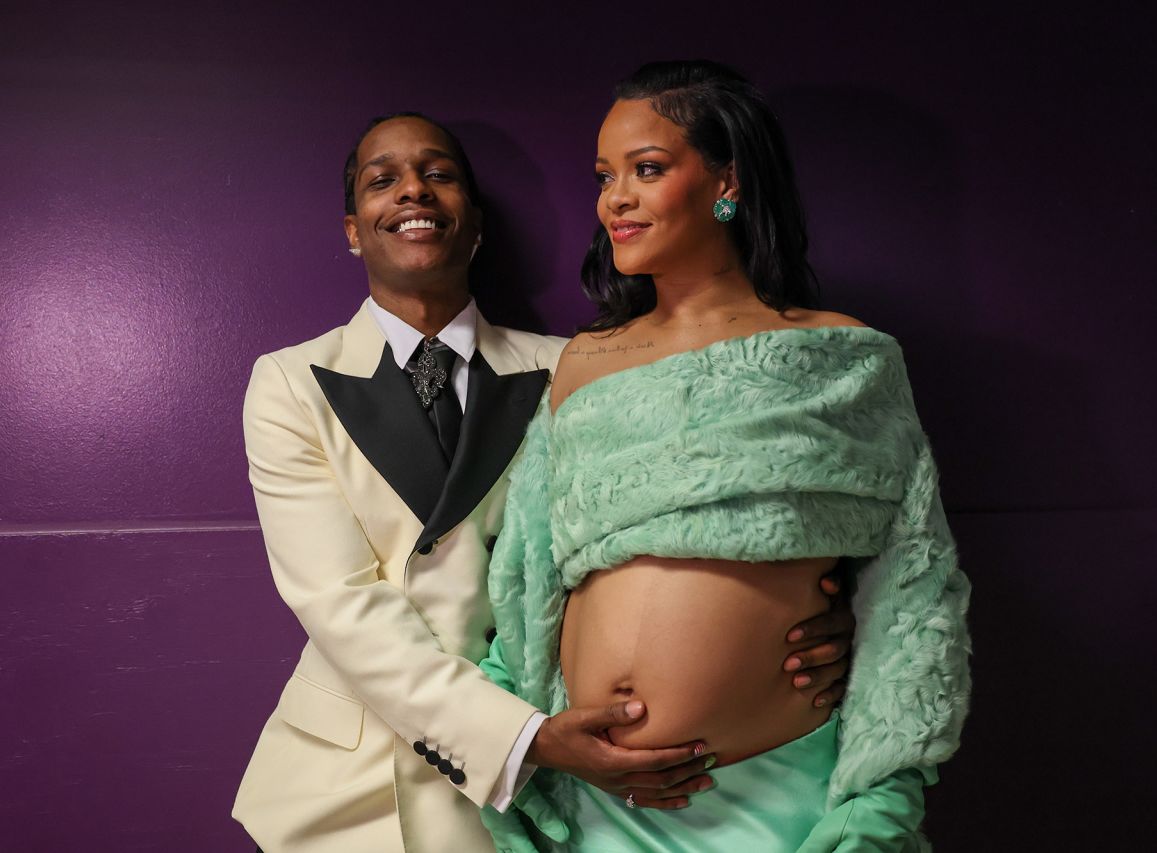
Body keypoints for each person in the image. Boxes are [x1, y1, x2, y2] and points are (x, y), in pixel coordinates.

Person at [231, 111, 857, 852]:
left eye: (439, 175)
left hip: (558, 789)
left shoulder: (578, 365)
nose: (413, 192)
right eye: (382, 180)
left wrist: (804, 625)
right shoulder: (288, 381)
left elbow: (671, 533)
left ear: (476, 223)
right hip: (356, 783)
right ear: (352, 228)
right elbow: (338, 601)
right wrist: (525, 736)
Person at [481, 61, 971, 852]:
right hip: (596, 797)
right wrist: (532, 734)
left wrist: (882, 794)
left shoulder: (842, 358)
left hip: (777, 798)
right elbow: (527, 576)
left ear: (726, 181)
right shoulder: (584, 362)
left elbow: (915, 593)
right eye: (605, 175)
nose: (615, 198)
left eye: (647, 169)